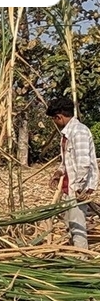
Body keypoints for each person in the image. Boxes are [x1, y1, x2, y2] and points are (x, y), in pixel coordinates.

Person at [47, 98, 98, 250]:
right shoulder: (67, 134)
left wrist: (78, 189)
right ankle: (74, 252)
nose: (55, 123)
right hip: (69, 187)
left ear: (59, 117)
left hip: (77, 188)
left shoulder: (79, 132)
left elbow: (84, 163)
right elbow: (67, 161)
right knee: (70, 223)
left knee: (77, 225)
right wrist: (58, 173)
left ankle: (81, 258)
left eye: (54, 119)